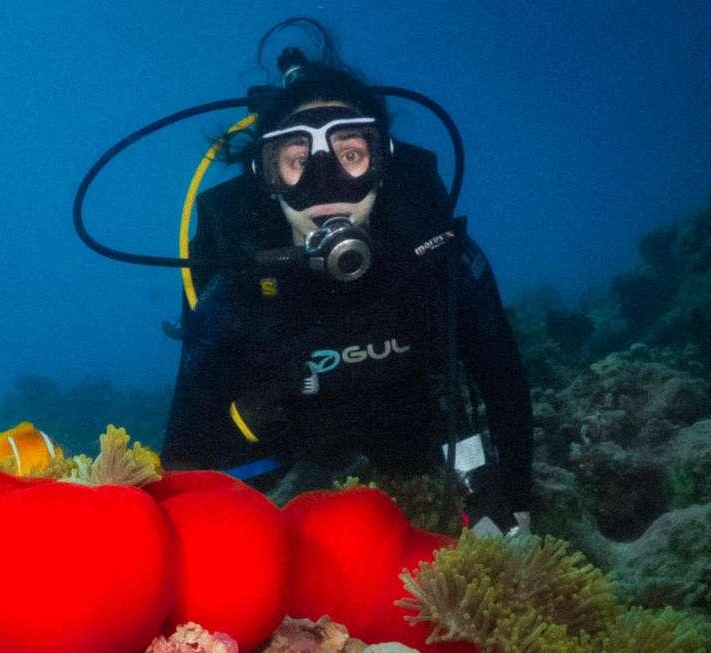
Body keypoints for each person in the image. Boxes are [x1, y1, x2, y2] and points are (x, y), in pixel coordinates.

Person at [159, 42, 534, 533]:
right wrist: (261, 407)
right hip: (292, 460)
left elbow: (502, 380)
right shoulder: (236, 278)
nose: (325, 184)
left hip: (415, 441)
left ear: (383, 164)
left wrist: (517, 500)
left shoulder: (434, 252)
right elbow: (185, 452)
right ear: (266, 177)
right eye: (296, 160)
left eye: (350, 154)